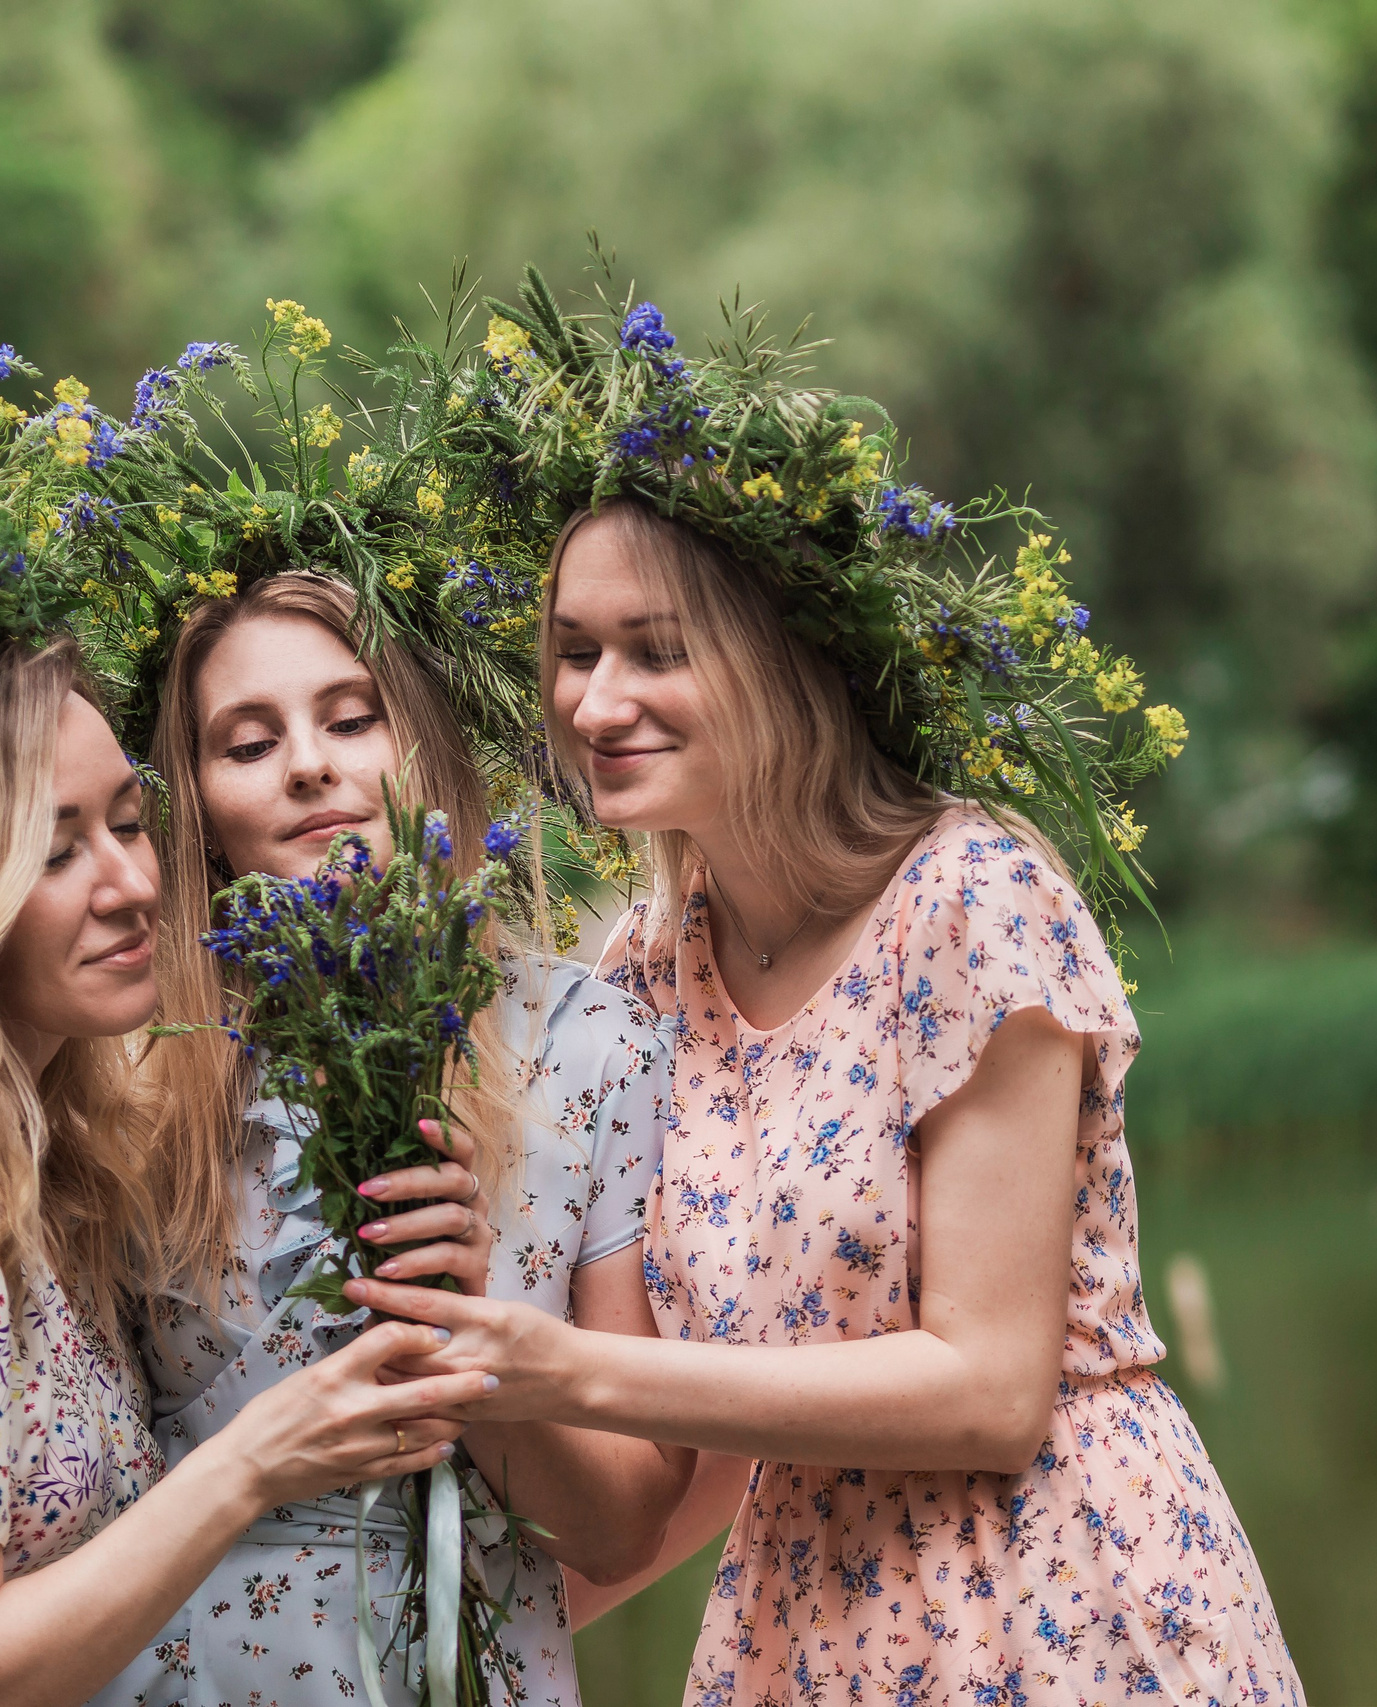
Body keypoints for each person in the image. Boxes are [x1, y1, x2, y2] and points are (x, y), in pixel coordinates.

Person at [343, 279, 1300, 1705]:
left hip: (1058, 1603)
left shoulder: (971, 900)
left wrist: (557, 1366)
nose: (595, 702)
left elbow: (988, 1390)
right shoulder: (647, 975)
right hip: (806, 1626)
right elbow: (700, 1448)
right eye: (575, 652)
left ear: (788, 661)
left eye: (656, 650)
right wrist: (453, 1656)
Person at [0, 574, 693, 1707]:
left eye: (352, 717)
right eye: (248, 741)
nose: (310, 765)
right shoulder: (105, 1083)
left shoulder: (64, 1115)